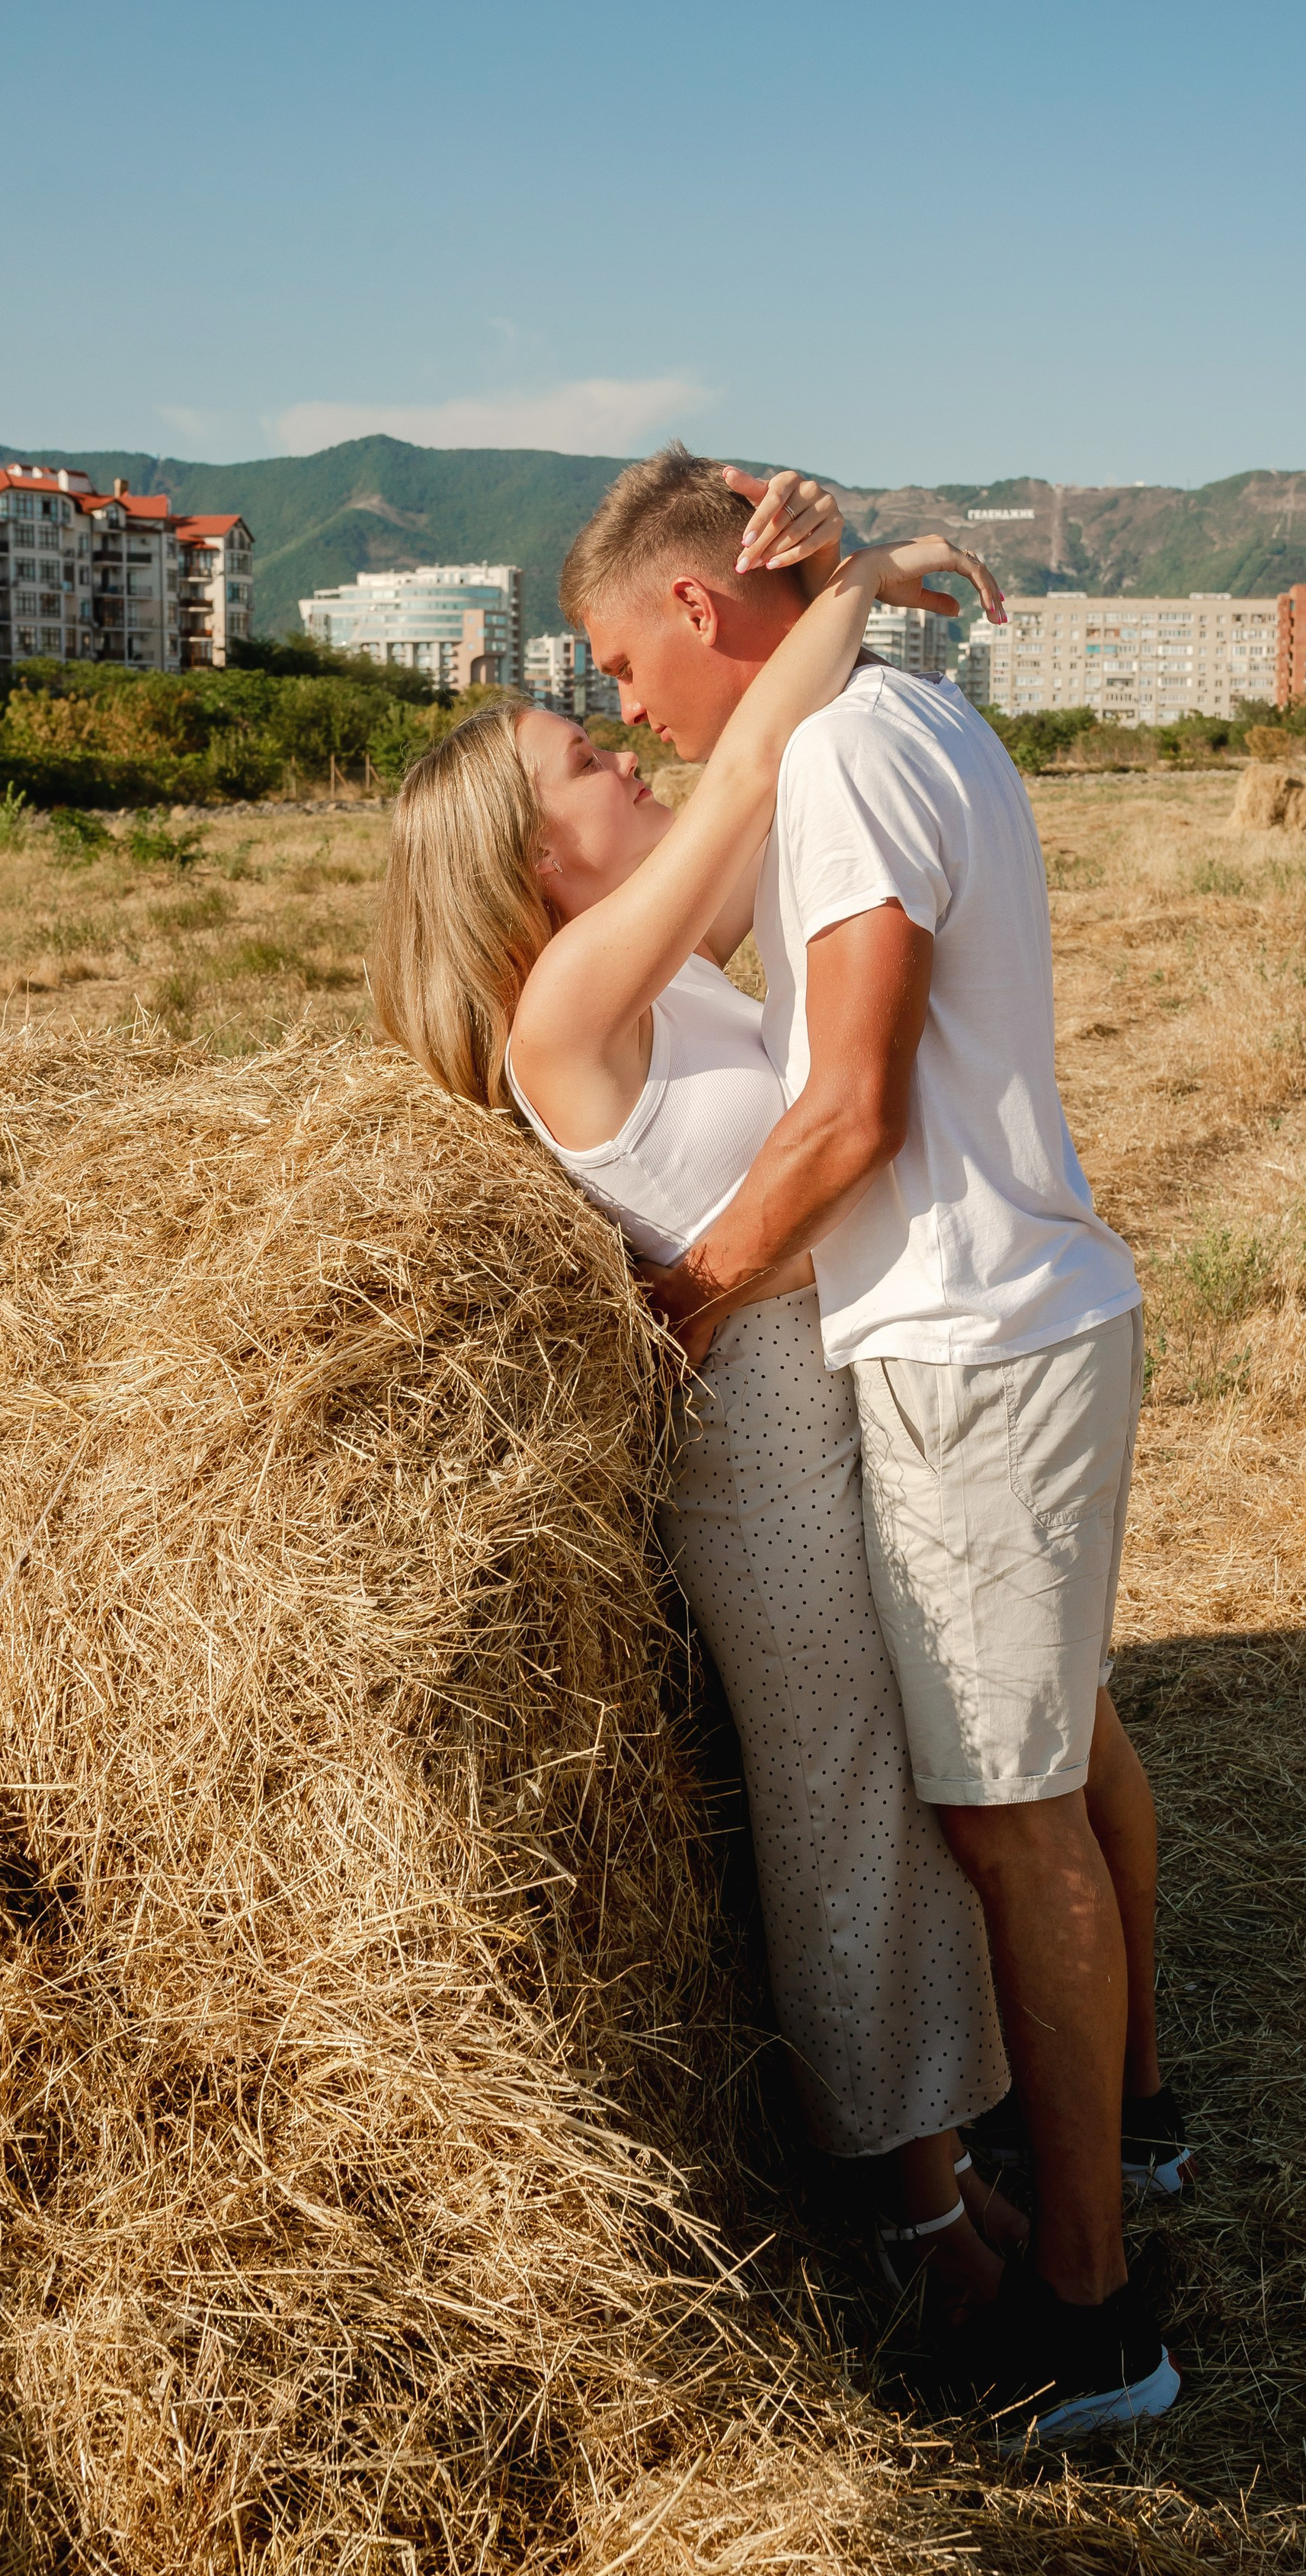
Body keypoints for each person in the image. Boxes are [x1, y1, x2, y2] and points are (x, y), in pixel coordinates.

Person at [562, 444, 1188, 2443]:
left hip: (974, 1345)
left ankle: (1088, 2317)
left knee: (1012, 1829)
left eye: (615, 659)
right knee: (1065, 1777)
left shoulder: (836, 764)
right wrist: (885, 564)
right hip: (1029, 1322)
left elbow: (845, 1117)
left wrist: (690, 1302)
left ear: (693, 606)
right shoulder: (888, 720)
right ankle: (1131, 2143)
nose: (624, 711)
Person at [370, 478, 1029, 2320]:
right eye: (586, 755)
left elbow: (781, 751)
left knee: (890, 1795)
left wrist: (798, 587)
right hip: (754, 1451)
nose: (624, 757)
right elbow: (747, 775)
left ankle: (947, 2153)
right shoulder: (568, 999)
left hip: (826, 1402)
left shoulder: (652, 969)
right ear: (532, 857)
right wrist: (881, 570)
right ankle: (907, 2221)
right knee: (836, 1809)